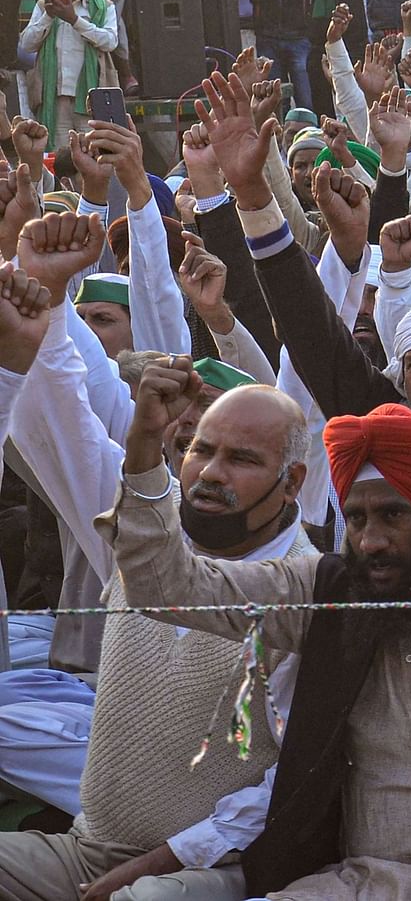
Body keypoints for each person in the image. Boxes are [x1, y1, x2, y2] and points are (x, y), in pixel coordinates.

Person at [105, 326, 411, 899]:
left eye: (393, 517)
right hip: (352, 879)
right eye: (358, 518)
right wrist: (146, 447)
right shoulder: (324, 589)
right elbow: (165, 587)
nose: (369, 540)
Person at [0, 334, 317, 901]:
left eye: (242, 459)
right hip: (87, 849)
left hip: (218, 866)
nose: (210, 474)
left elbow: (290, 779)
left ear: (293, 482)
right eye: (197, 449)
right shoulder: (141, 536)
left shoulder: (306, 588)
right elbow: (61, 420)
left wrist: (164, 861)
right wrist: (49, 301)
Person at [20, 0, 117, 151]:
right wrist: (48, 15)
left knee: (93, 155)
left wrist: (74, 19)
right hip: (55, 99)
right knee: (59, 158)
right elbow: (27, 45)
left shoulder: (103, 7)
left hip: (91, 100)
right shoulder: (44, 6)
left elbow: (109, 42)